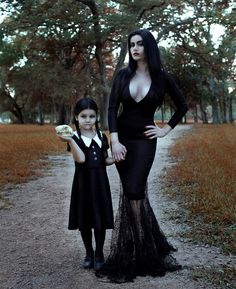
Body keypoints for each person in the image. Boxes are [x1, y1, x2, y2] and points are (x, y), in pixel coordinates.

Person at [96, 29, 188, 283]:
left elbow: (183, 105)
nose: (135, 48)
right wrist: (113, 139)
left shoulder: (161, 78)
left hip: (145, 142)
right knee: (131, 193)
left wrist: (165, 129)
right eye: (131, 45)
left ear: (149, 47)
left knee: (136, 191)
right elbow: (113, 107)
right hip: (121, 141)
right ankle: (144, 245)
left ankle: (142, 250)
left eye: (139, 44)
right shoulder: (123, 75)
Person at [56, 98, 114, 271]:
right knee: (85, 219)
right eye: (83, 116)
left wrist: (118, 158)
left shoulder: (102, 136)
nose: (88, 120)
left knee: (100, 220)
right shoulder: (74, 138)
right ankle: (88, 252)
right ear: (76, 117)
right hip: (83, 185)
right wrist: (70, 140)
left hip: (100, 183)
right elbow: (80, 159)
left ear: (96, 117)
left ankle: (99, 254)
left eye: (92, 116)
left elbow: (106, 160)